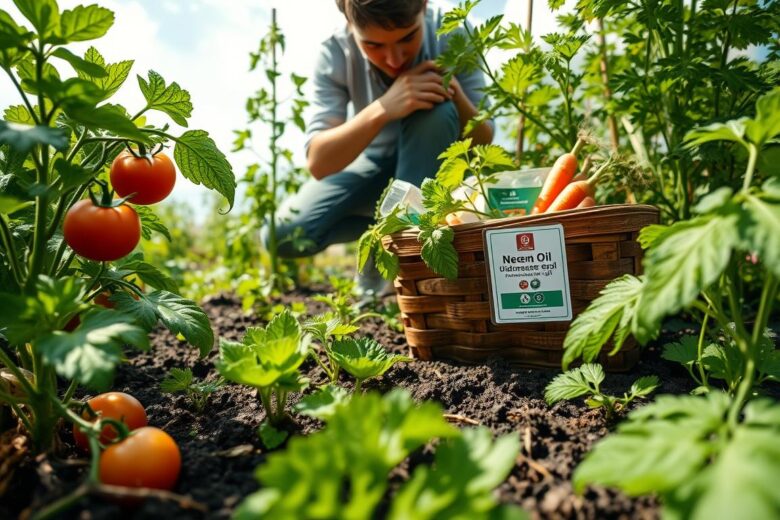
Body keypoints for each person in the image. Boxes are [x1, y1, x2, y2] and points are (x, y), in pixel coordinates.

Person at [263, 0, 493, 294]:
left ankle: (407, 269)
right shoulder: (334, 52)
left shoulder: (452, 32)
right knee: (282, 235)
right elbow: (318, 162)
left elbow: (485, 140)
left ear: (423, 7)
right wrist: (384, 107)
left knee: (437, 111)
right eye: (373, 45)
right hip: (372, 164)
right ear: (349, 22)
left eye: (408, 38)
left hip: (435, 166)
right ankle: (385, 234)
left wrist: (454, 94)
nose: (394, 58)